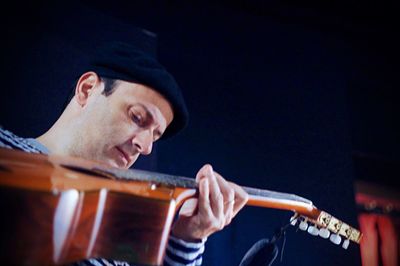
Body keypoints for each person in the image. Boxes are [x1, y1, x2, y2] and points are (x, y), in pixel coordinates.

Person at [0, 41, 248, 266]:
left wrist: (187, 238)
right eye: (137, 117)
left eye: (154, 136)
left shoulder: (112, 230)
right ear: (87, 90)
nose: (146, 146)